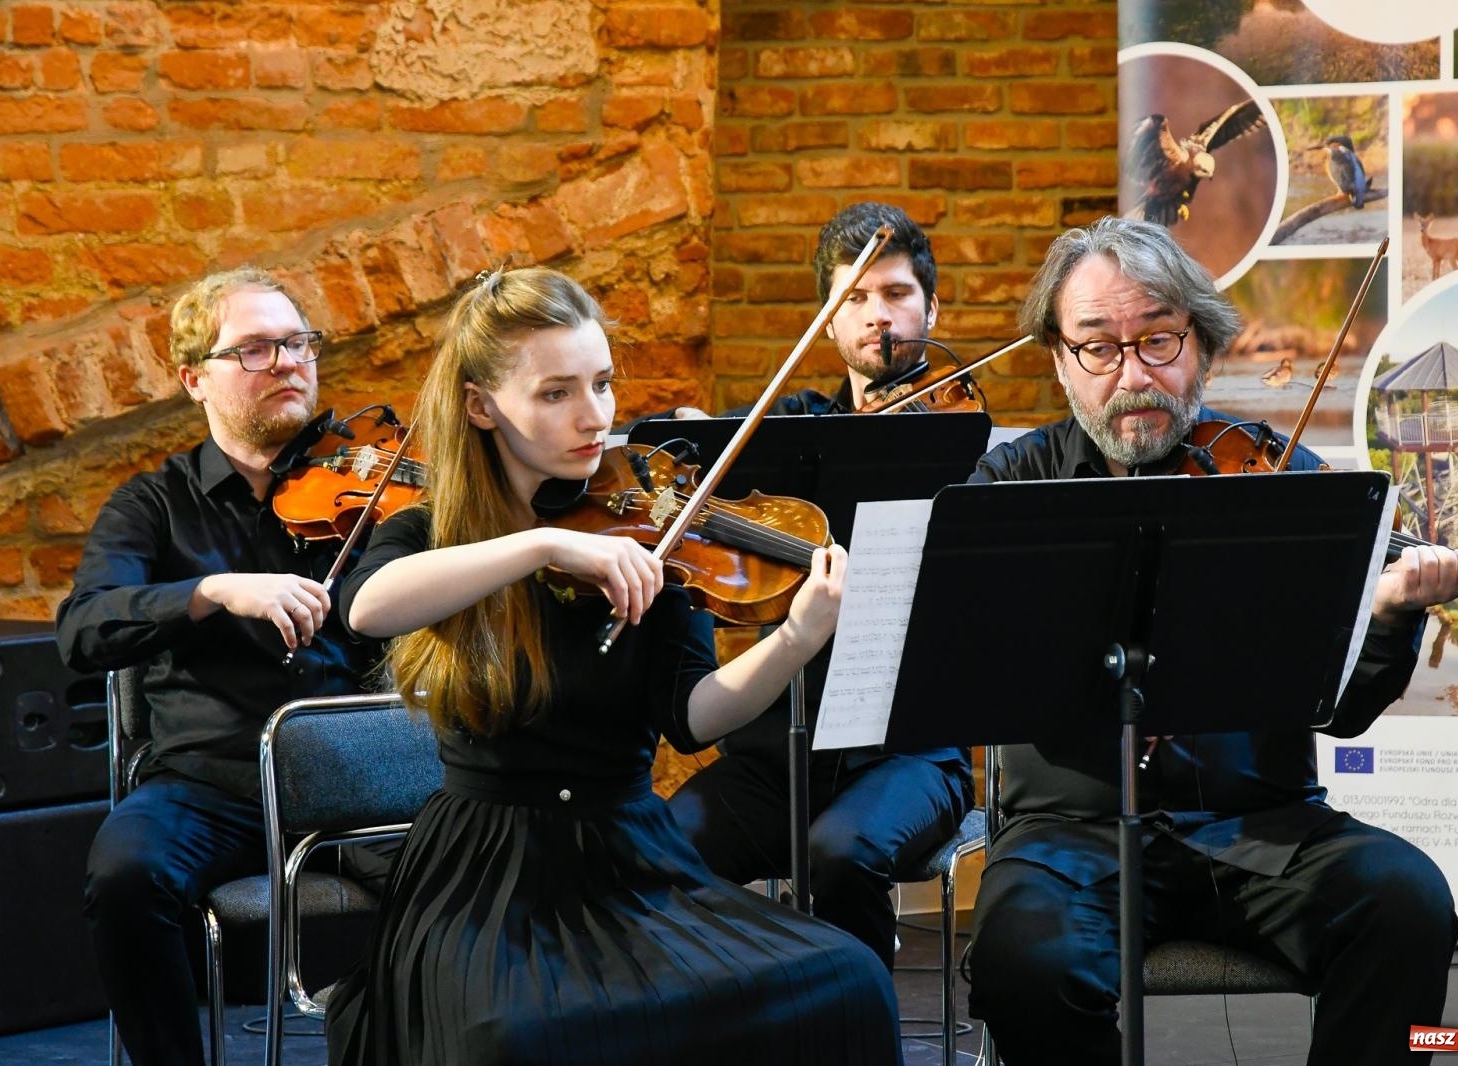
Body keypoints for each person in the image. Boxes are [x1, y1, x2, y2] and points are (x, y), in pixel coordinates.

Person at [323, 265, 902, 1066]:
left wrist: (797, 639)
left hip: (631, 852)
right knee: (516, 1040)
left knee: (850, 979)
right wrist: (544, 543)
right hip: (488, 870)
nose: (595, 416)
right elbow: (367, 606)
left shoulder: (647, 528)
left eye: (601, 384)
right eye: (556, 393)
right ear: (480, 405)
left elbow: (693, 716)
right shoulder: (437, 530)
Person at [963, 215, 1458, 1066]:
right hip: (1071, 836)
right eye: (1098, 347)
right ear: (1060, 359)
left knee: (1406, 904)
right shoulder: (1011, 487)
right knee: (1027, 965)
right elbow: (978, 670)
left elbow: (1344, 715)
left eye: (1159, 340)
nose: (1131, 374)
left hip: (1262, 828)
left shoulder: (1284, 481)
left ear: (1201, 346)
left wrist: (1390, 614)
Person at [57, 267, 382, 1066]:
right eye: (258, 349)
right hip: (216, 786)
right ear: (193, 377)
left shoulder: (367, 490)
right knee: (127, 874)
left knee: (493, 846)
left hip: (359, 780)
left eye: (299, 344)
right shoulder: (152, 506)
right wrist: (211, 590)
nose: (289, 363)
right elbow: (84, 629)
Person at [660, 202, 976, 970]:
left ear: (931, 307)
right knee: (663, 849)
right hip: (777, 752)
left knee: (837, 854)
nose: (877, 315)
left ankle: (852, 1029)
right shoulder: (787, 437)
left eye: (897, 293)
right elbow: (675, 449)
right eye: (854, 300)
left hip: (911, 754)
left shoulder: (964, 442)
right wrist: (691, 440)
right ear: (828, 323)